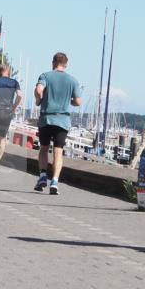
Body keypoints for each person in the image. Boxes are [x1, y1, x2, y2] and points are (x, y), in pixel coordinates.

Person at [34, 52, 83, 195]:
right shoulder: (72, 80)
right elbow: (78, 101)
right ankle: (54, 181)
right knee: (58, 151)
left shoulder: (45, 76)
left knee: (43, 148)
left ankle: (43, 176)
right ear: (66, 64)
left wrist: (39, 99)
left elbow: (38, 90)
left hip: (47, 119)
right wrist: (70, 102)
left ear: (53, 62)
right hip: (62, 121)